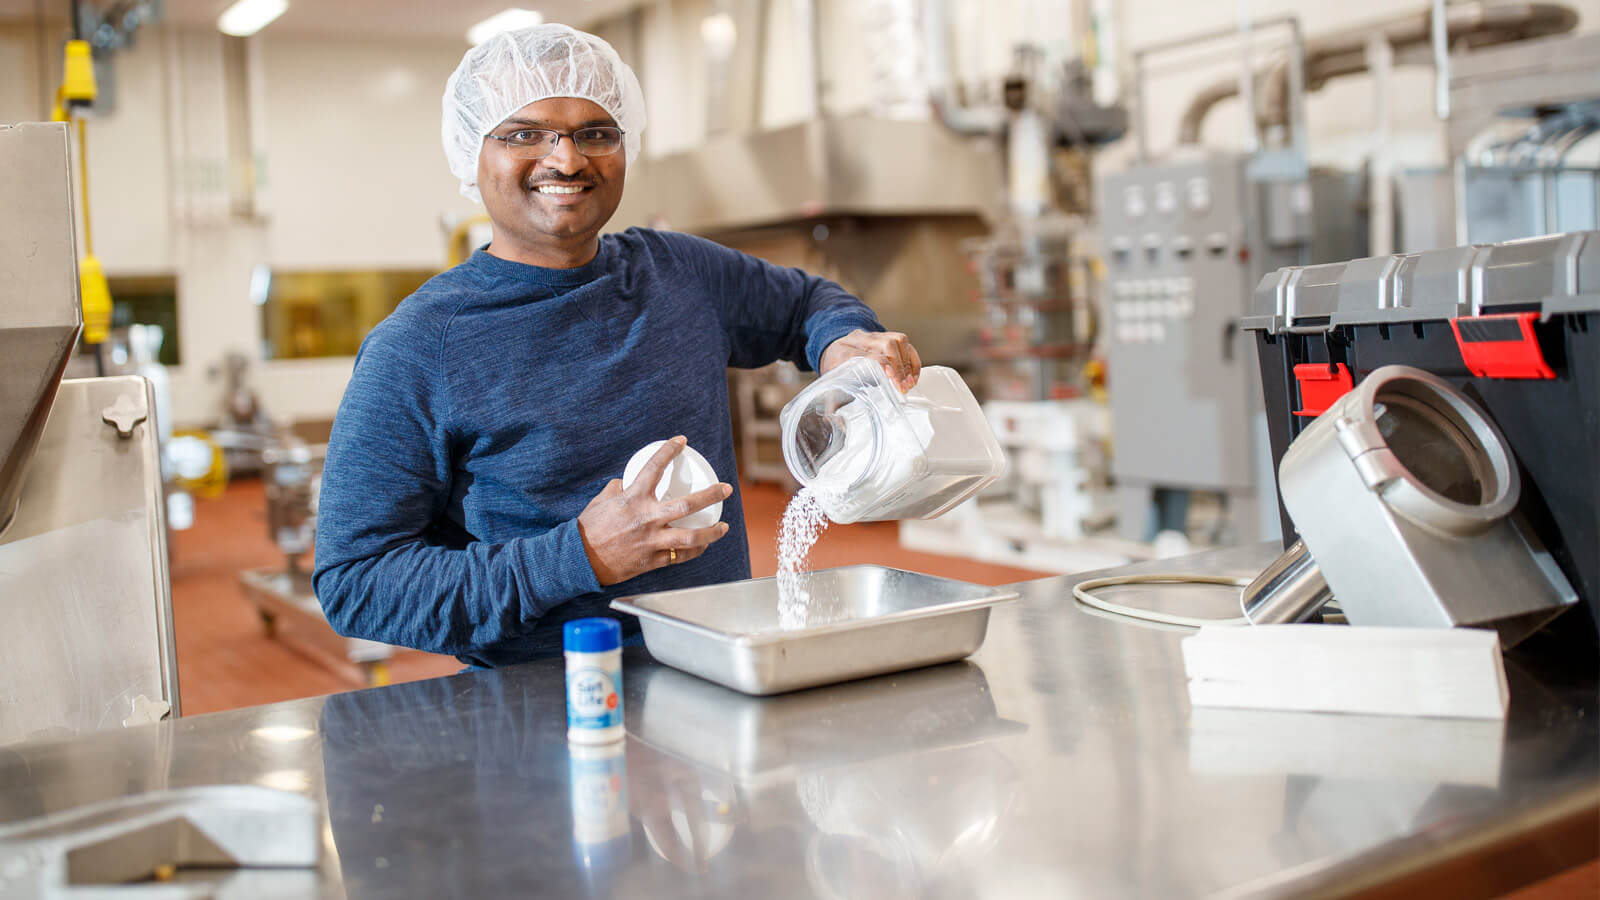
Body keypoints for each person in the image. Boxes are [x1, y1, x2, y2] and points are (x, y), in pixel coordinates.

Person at [313, 23, 923, 667]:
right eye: (525, 134)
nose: (567, 159)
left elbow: (805, 304)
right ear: (472, 151)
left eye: (595, 133)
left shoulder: (678, 272)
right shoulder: (418, 348)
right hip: (543, 714)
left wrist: (840, 341)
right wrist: (575, 557)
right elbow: (356, 584)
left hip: (720, 674)